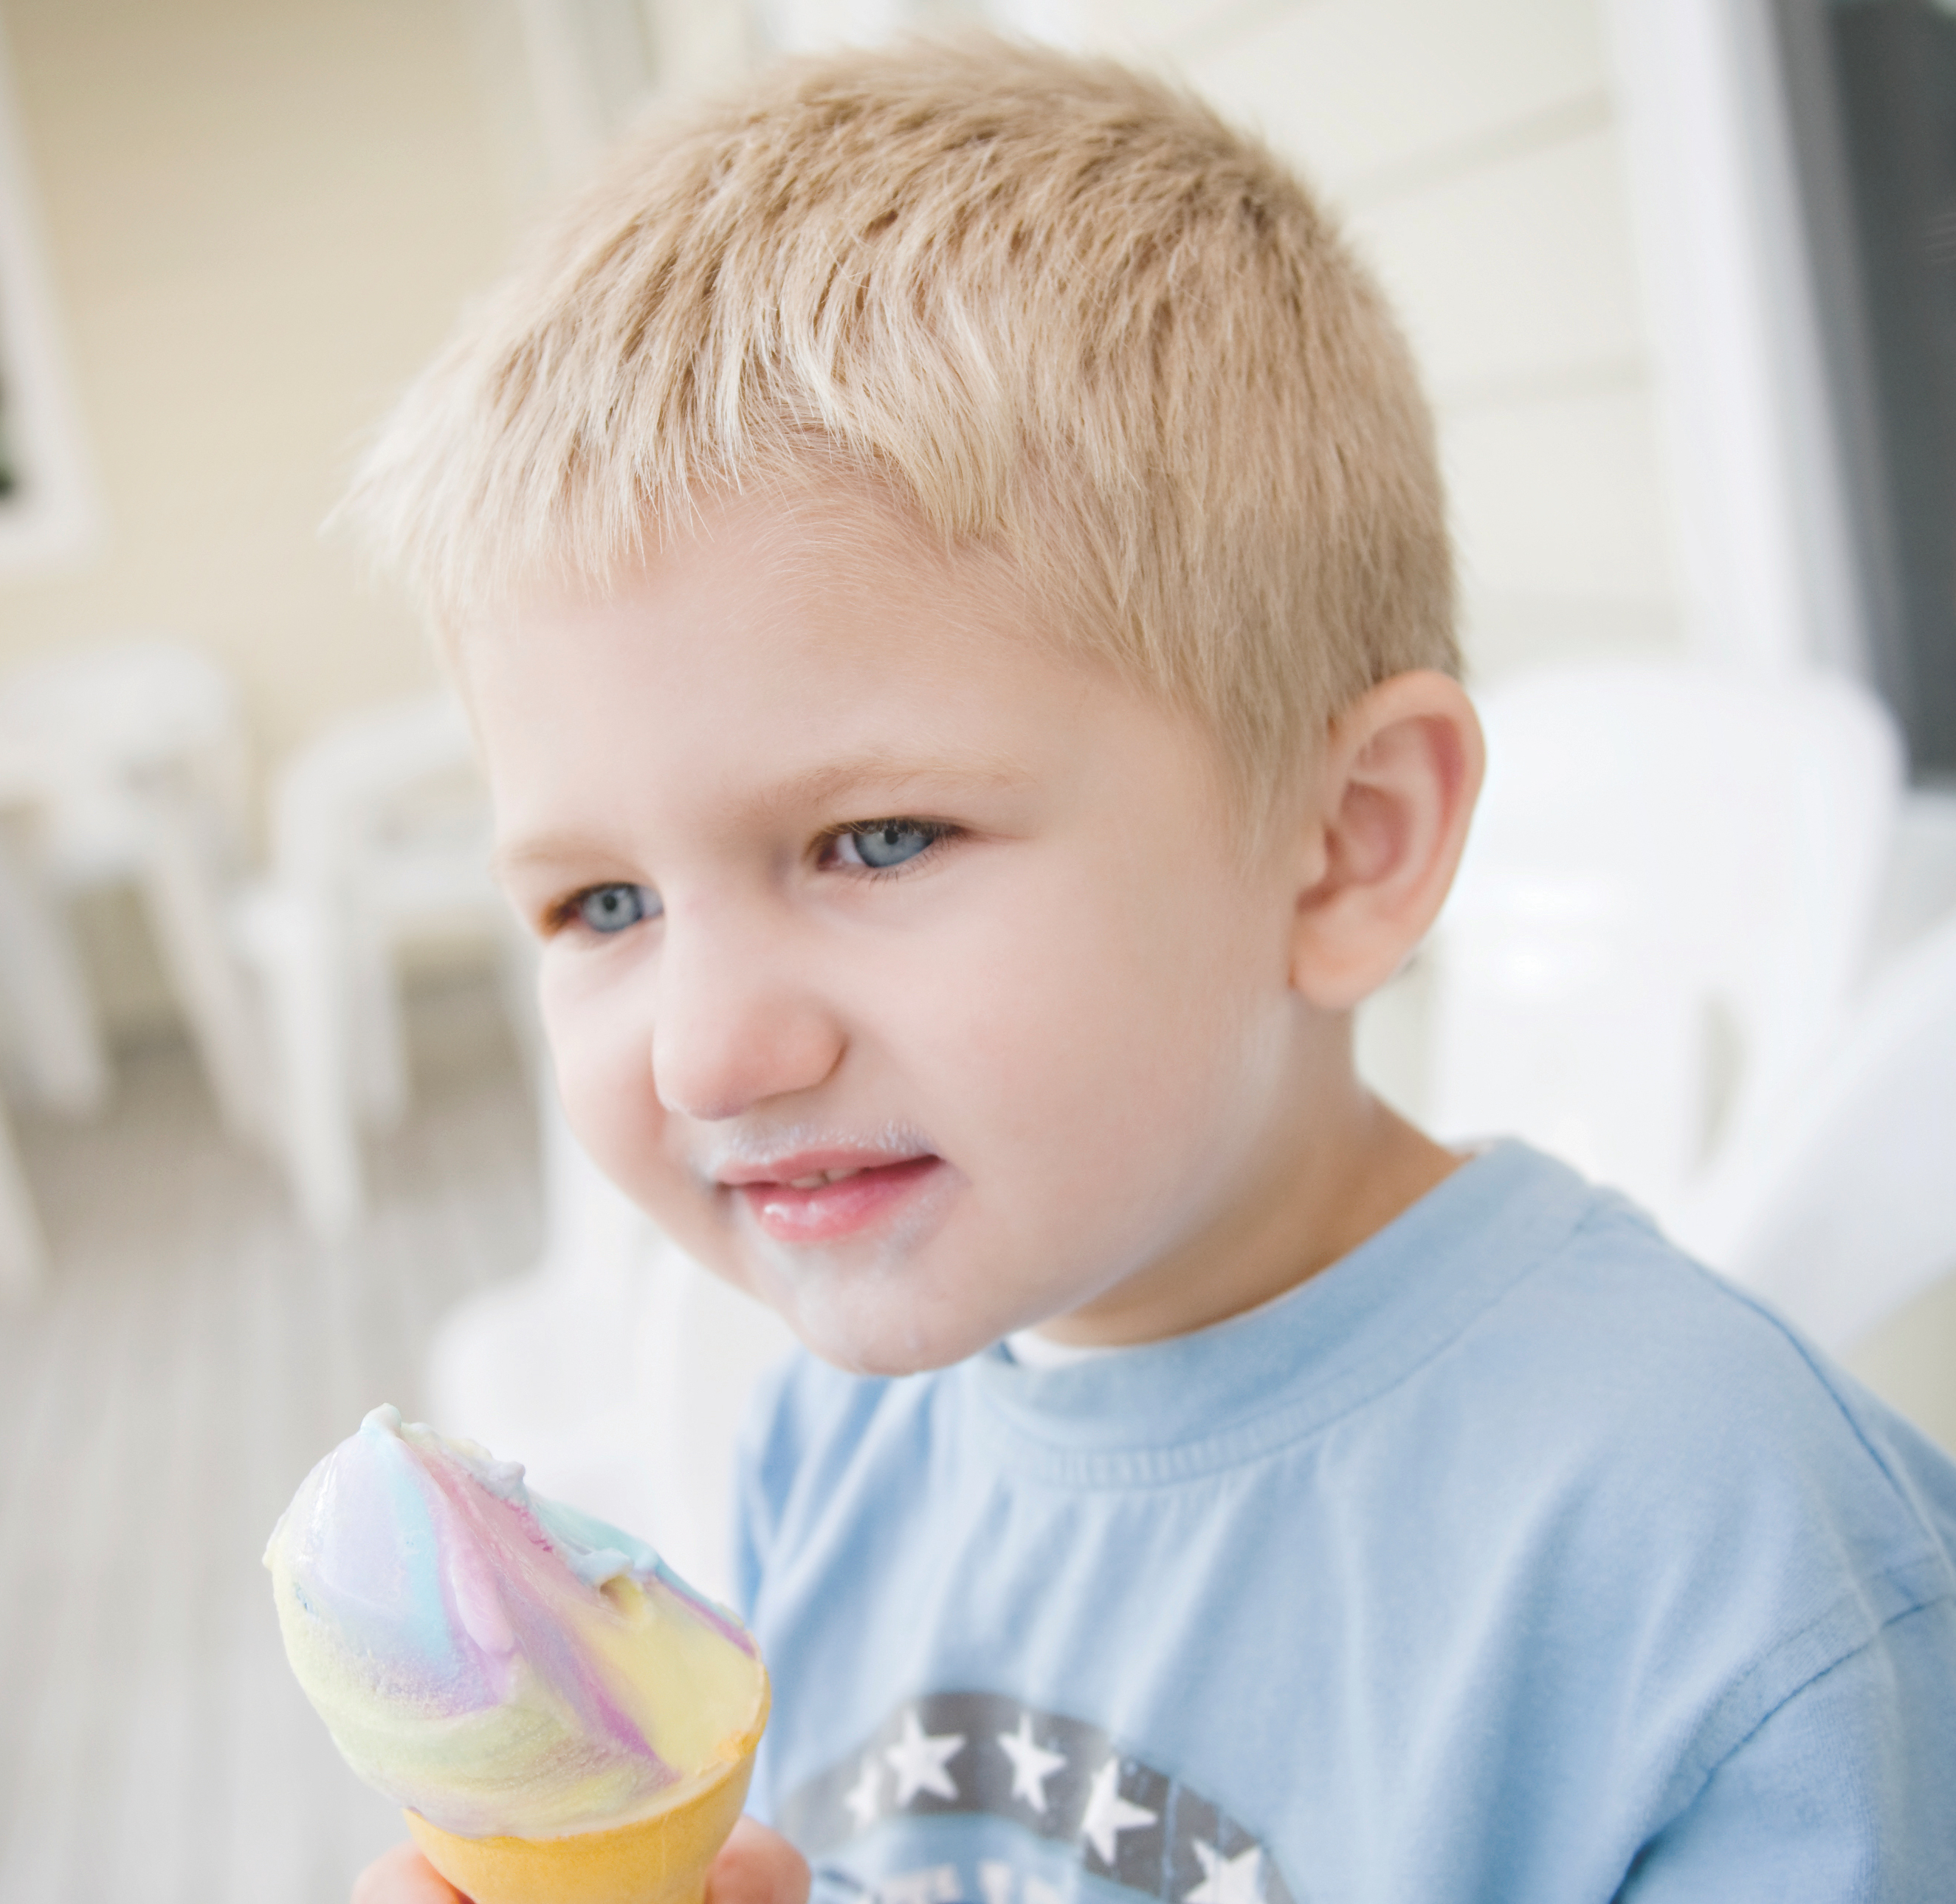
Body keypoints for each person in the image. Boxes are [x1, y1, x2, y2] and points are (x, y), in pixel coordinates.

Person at [343, 36, 1956, 1904]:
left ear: (1345, 842)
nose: (708, 1052)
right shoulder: (839, 1433)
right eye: (601, 904)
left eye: (876, 842)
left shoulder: (1716, 1566)